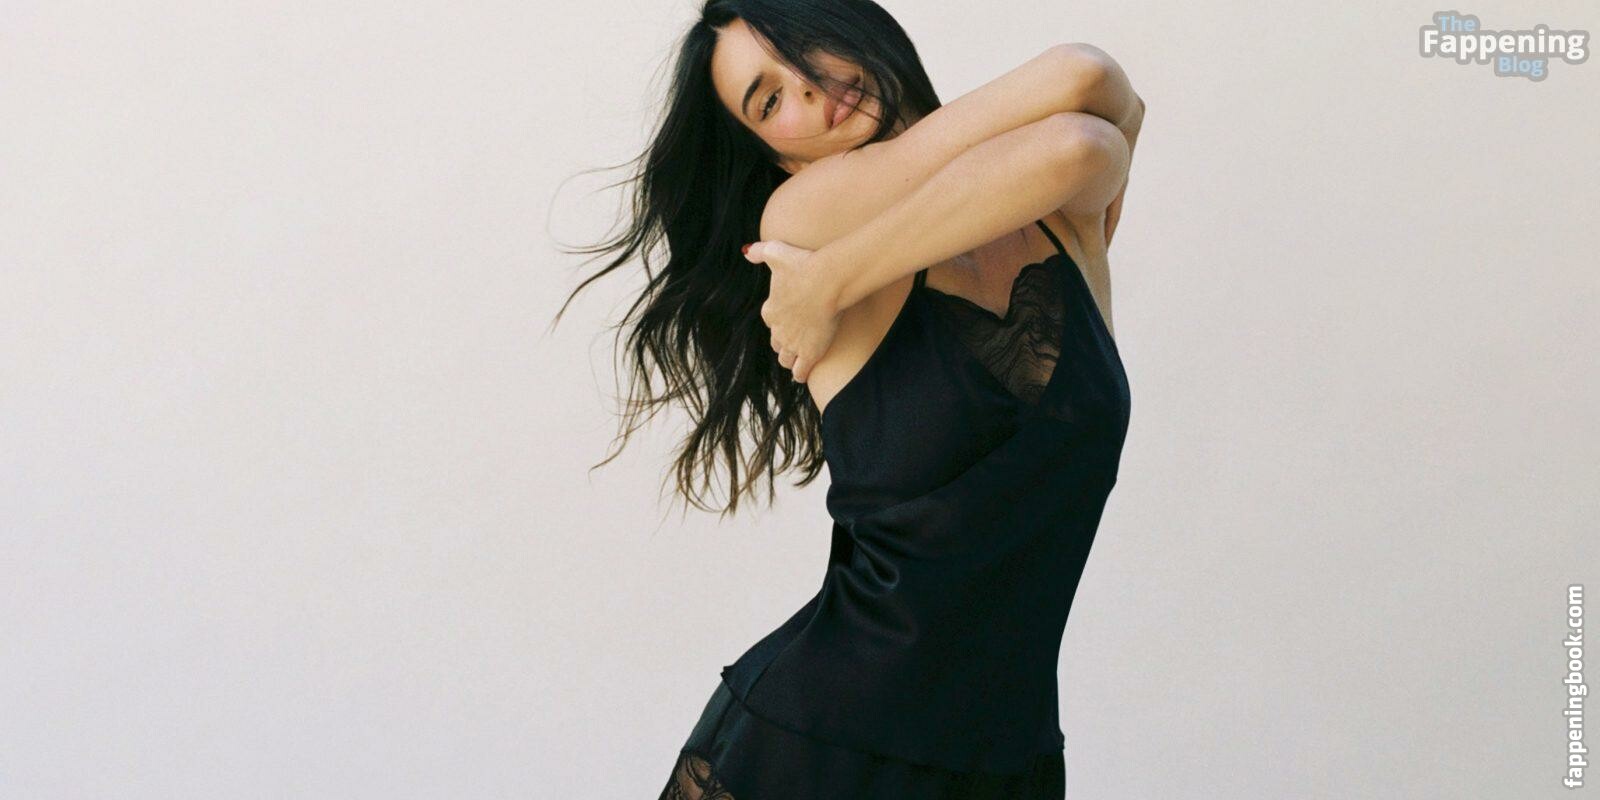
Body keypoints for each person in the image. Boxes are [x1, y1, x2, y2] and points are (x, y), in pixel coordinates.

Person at [556, 1, 1143, 797]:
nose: (808, 86)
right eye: (769, 100)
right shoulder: (804, 217)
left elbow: (1093, 99)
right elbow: (1085, 132)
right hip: (824, 747)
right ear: (776, 154)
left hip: (1011, 762)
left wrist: (833, 280)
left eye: (806, 44)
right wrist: (830, 267)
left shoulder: (1052, 228)